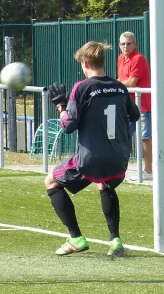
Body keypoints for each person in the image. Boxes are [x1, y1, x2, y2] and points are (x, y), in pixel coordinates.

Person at [45, 41, 140, 257]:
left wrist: (61, 107)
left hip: (90, 159)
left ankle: (75, 238)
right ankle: (115, 241)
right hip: (119, 159)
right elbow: (134, 115)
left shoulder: (82, 87)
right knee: (105, 184)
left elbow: (69, 126)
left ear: (85, 63)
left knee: (50, 181)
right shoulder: (119, 86)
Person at [116, 31, 152, 180]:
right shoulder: (120, 59)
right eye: (123, 44)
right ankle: (118, 169)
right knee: (123, 136)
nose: (126, 46)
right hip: (128, 105)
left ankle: (148, 171)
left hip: (142, 105)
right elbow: (121, 79)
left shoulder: (139, 59)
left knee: (145, 138)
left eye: (128, 43)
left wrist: (112, 85)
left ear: (135, 44)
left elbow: (131, 82)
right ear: (119, 46)